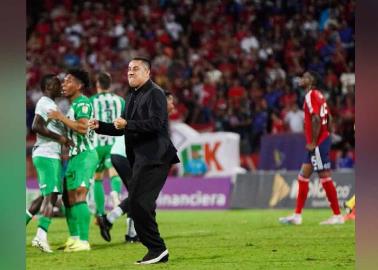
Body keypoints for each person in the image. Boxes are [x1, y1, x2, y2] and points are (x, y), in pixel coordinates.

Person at [89, 57, 180, 264]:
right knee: (139, 204)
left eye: (136, 69)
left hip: (156, 157)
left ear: (147, 72)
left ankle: (156, 249)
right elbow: (120, 127)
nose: (130, 72)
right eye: (129, 69)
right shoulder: (131, 96)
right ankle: (157, 250)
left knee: (139, 203)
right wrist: (100, 125)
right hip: (140, 158)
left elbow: (156, 123)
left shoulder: (155, 93)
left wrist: (128, 123)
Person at [94, 90, 176, 244]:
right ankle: (112, 221)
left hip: (123, 154)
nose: (173, 105)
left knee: (137, 194)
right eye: (170, 101)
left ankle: (128, 231)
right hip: (125, 154)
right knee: (140, 195)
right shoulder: (152, 114)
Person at [279, 71, 344, 225]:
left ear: (312, 80)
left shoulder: (310, 96)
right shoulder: (319, 95)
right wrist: (329, 132)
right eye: (301, 77)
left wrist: (315, 141)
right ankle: (297, 216)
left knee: (324, 177)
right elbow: (329, 117)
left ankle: (337, 216)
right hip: (322, 139)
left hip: (318, 142)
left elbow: (315, 118)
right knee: (303, 177)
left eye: (306, 77)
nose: (302, 79)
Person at [48, 69, 99, 251]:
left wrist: (60, 117)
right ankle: (74, 238)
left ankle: (84, 242)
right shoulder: (71, 106)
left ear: (79, 85)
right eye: (63, 81)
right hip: (73, 156)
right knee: (68, 199)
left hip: (85, 155)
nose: (64, 84)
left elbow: (83, 128)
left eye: (68, 81)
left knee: (79, 194)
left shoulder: (83, 103)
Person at [28, 74, 72, 252]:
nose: (59, 85)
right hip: (46, 153)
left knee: (45, 195)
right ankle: (41, 236)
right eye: (55, 83)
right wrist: (60, 138)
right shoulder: (44, 102)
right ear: (47, 87)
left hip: (50, 154)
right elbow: (36, 126)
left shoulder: (52, 105)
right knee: (51, 195)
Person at [90, 72, 125, 218]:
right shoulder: (120, 101)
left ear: (97, 84)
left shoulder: (91, 101)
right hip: (115, 143)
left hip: (97, 144)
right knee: (114, 173)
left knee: (97, 177)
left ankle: (100, 212)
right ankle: (115, 193)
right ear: (110, 85)